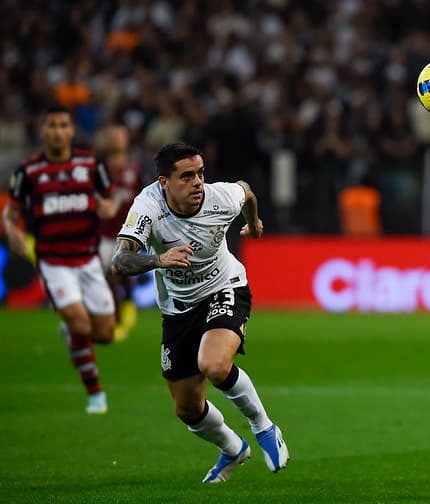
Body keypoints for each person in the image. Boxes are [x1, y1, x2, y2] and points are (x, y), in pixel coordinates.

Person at [111, 142, 288, 483]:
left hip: (225, 286)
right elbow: (120, 260)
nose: (198, 182)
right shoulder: (147, 207)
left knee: (214, 364)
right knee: (187, 408)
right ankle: (233, 449)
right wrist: (159, 259)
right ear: (164, 182)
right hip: (177, 308)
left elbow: (246, 192)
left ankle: (264, 427)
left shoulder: (219, 197)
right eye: (187, 176)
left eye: (201, 173)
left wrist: (253, 223)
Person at [2, 105, 121, 414]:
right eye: (51, 125)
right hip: (53, 262)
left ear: (71, 130)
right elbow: (10, 211)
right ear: (43, 131)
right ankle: (95, 395)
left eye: (63, 125)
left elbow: (111, 196)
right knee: (82, 324)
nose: (57, 131)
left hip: (88, 259)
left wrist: (108, 206)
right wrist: (10, 230)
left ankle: (70, 331)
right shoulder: (28, 171)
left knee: (106, 333)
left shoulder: (91, 163)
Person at [95, 125, 144, 341]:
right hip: (103, 234)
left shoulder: (134, 168)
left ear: (126, 141)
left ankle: (119, 318)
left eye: (119, 135)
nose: (115, 139)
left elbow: (143, 197)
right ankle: (115, 316)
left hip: (127, 233)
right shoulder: (100, 171)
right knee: (104, 280)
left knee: (115, 276)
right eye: (112, 135)